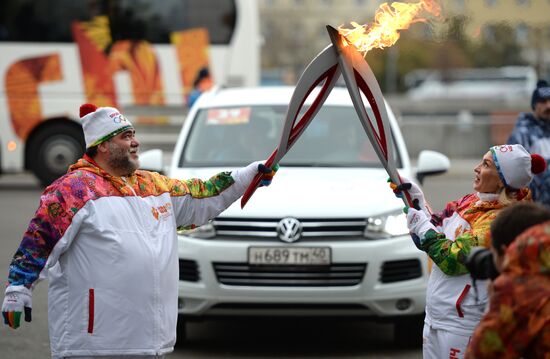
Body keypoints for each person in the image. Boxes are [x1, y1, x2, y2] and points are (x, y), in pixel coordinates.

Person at [1, 103, 276, 358]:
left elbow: (202, 194)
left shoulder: (153, 186)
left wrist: (247, 176)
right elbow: (39, 240)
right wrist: (18, 287)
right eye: (126, 136)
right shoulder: (74, 190)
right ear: (104, 145)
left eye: (133, 134)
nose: (136, 142)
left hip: (150, 342)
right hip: (92, 345)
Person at [391, 144, 546, 359]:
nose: (476, 168)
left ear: (502, 179)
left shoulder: (499, 221)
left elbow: (451, 260)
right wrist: (418, 202)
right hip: (436, 316)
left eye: (485, 164)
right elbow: (434, 232)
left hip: (462, 325)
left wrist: (422, 227)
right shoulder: (470, 202)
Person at [465, 202, 550, 358]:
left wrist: (494, 300)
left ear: (505, 252)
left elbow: (481, 354)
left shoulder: (519, 290)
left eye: (493, 252)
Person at [507, 79, 550, 207]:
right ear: (534, 105)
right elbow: (514, 172)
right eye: (543, 101)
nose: (548, 106)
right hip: (535, 206)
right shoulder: (522, 134)